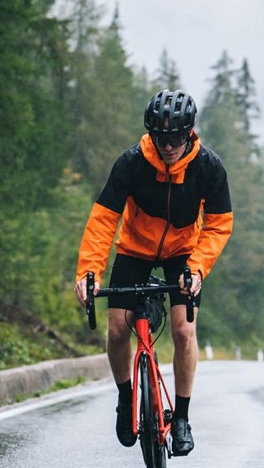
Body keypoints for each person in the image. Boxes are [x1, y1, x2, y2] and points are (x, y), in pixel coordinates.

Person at [74, 89, 233, 456]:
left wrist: (197, 268)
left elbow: (220, 224)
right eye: (161, 138)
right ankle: (126, 397)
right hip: (135, 249)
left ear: (189, 133)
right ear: (151, 135)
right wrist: (89, 271)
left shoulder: (208, 167)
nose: (168, 146)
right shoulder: (132, 163)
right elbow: (103, 220)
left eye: (176, 138)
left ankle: (181, 417)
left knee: (183, 329)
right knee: (117, 329)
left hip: (183, 252)